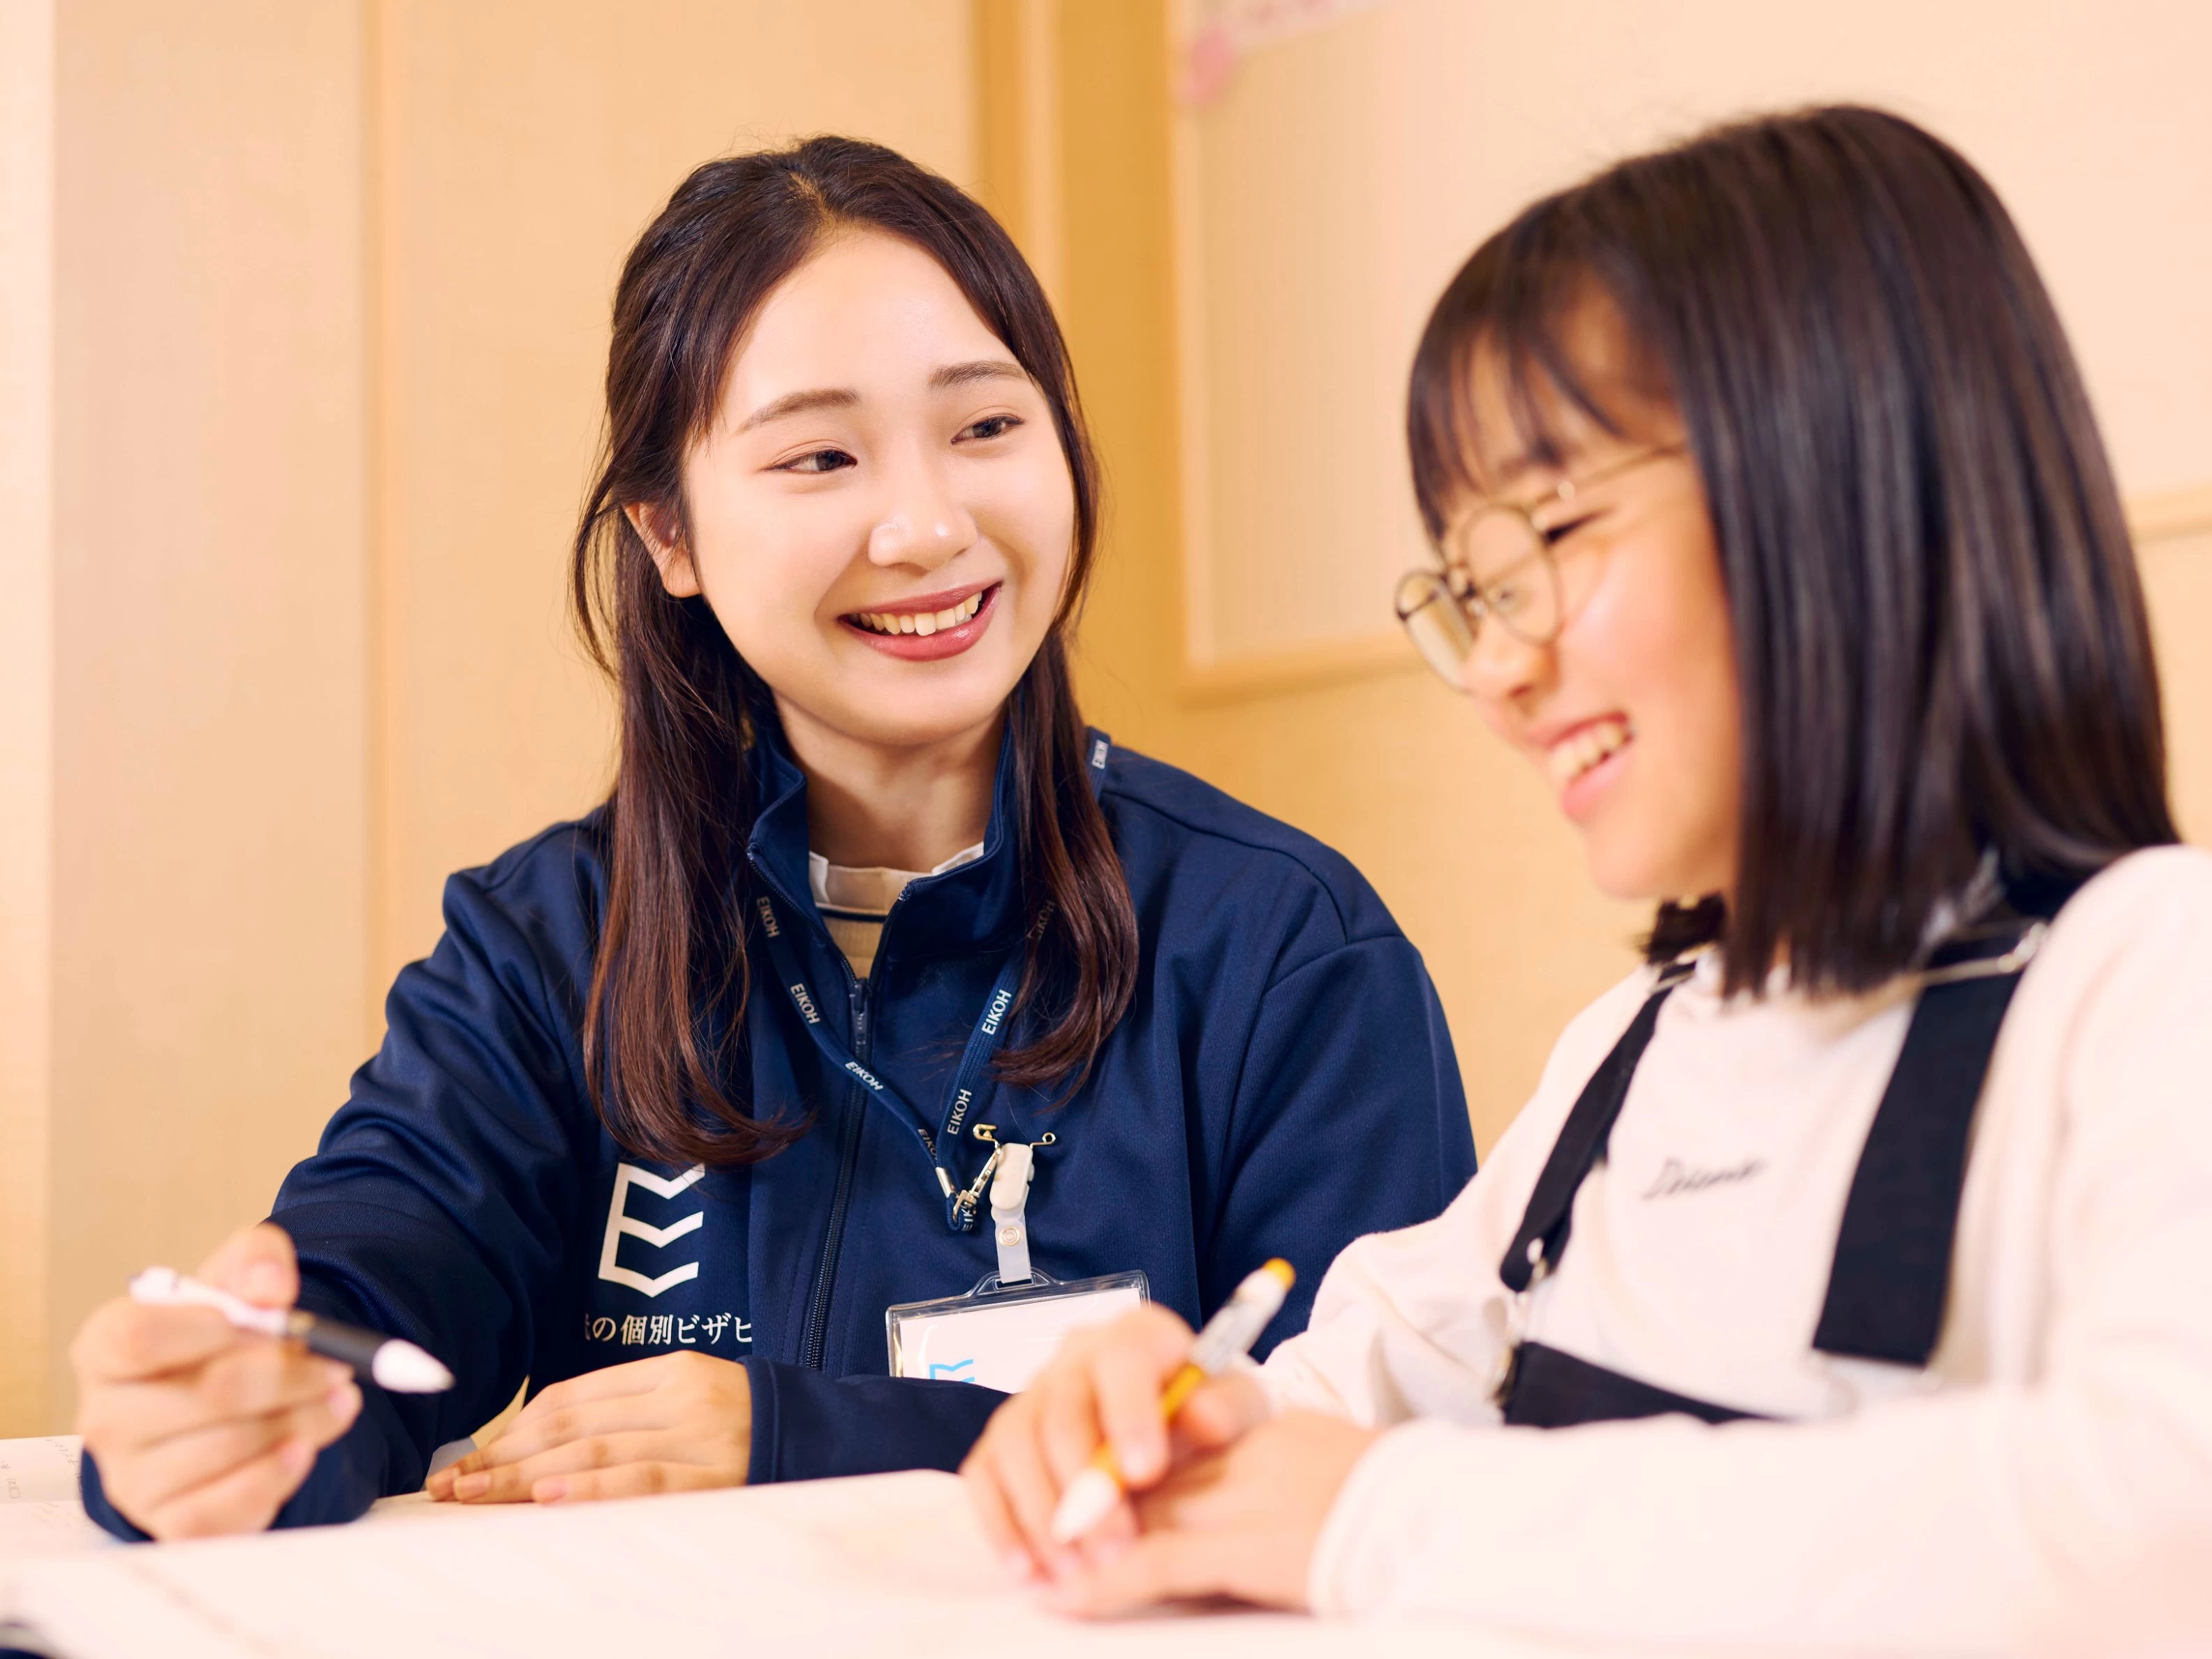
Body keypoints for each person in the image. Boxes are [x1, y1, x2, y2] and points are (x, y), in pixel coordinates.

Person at [67, 137, 1476, 1542]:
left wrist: (807, 1434)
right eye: (819, 456)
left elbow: (1374, 1467)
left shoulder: (1283, 949)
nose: (928, 527)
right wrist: (220, 1415)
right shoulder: (547, 944)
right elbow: (377, 1271)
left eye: (987, 428)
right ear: (668, 534)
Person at [962, 105, 2212, 1649]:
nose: (1497, 672)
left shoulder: (2148, 981)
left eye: (1553, 530)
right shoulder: (1635, 1048)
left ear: (1843, 484)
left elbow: (2159, 1524)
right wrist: (1158, 1418)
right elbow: (1350, 1383)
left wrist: (1373, 1515)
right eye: (1472, 587)